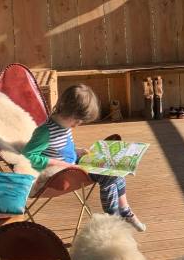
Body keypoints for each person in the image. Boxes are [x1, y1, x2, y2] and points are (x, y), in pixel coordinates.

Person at [21, 84, 147, 231]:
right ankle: (114, 218)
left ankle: (124, 210)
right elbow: (28, 156)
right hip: (60, 175)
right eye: (77, 121)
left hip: (73, 165)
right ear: (69, 113)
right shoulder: (45, 132)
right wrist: (59, 163)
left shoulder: (64, 125)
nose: (77, 125)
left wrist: (77, 151)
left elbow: (59, 148)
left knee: (113, 167)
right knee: (108, 176)